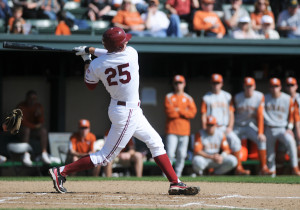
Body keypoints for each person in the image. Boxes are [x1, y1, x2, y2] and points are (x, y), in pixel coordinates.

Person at [49, 26, 200, 195]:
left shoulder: (98, 64)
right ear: (119, 45)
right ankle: (61, 171)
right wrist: (90, 51)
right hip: (127, 113)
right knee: (105, 157)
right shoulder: (132, 54)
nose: (127, 41)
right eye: (123, 41)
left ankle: (175, 183)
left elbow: (90, 84)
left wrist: (87, 59)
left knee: (155, 142)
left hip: (125, 109)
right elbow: (110, 53)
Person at [201, 73, 250, 175]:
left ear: (222, 83)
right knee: (211, 147)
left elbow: (231, 112)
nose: (216, 85)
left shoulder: (227, 96)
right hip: (212, 127)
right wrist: (205, 127)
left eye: (218, 83)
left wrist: (230, 126)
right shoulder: (206, 97)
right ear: (211, 83)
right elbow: (203, 114)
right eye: (214, 83)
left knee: (236, 141)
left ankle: (239, 167)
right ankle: (209, 169)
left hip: (224, 126)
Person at [233, 77, 273, 175]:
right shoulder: (237, 97)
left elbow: (260, 115)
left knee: (261, 139)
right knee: (232, 140)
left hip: (250, 125)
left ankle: (263, 167)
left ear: (254, 86)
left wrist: (260, 132)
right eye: (247, 86)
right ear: (244, 86)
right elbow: (231, 114)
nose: (249, 88)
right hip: (238, 125)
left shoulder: (259, 96)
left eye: (250, 86)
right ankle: (238, 168)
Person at [264, 78, 300, 176]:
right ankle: (272, 172)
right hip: (269, 127)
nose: (274, 88)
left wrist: (289, 127)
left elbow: (293, 115)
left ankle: (295, 168)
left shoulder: (288, 98)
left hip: (282, 128)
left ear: (280, 87)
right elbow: (259, 115)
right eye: (272, 86)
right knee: (270, 152)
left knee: (291, 142)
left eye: (276, 86)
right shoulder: (264, 98)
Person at [164, 75, 197, 177]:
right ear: (173, 84)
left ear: (184, 84)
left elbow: (192, 113)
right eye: (176, 83)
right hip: (172, 130)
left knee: (182, 155)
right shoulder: (169, 96)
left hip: (184, 131)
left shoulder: (188, 98)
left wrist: (178, 110)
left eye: (180, 83)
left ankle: (177, 175)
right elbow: (170, 113)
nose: (178, 85)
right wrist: (184, 111)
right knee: (170, 154)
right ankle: (167, 175)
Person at [17, 90, 51, 166]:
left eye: (34, 99)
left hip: (33, 132)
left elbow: (41, 123)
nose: (32, 100)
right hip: (20, 132)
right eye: (30, 98)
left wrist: (39, 115)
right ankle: (25, 154)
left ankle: (44, 153)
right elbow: (22, 122)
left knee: (43, 131)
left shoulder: (38, 106)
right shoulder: (21, 107)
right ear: (26, 98)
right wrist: (34, 126)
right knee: (26, 129)